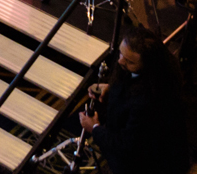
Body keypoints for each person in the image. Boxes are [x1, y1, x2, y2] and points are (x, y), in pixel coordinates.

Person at [79, 25, 190, 174]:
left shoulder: (149, 100)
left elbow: (125, 147)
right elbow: (129, 84)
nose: (120, 62)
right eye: (121, 54)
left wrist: (94, 128)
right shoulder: (147, 74)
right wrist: (112, 90)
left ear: (147, 65)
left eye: (129, 61)